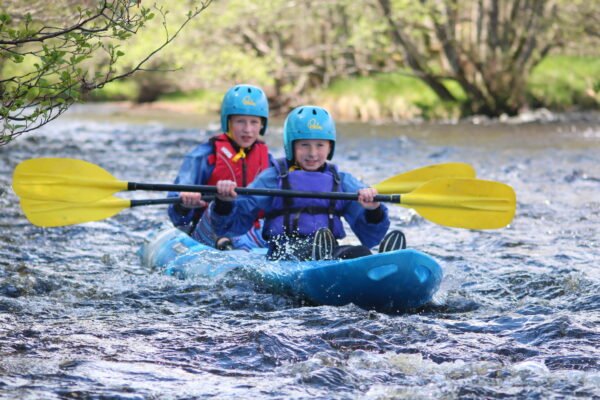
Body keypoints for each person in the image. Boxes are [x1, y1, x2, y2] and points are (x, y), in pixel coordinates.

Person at [206, 105, 406, 261]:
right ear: (291, 146)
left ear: (330, 147)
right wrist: (224, 202)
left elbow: (370, 236)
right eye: (304, 145)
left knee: (360, 251)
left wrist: (374, 210)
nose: (312, 153)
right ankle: (324, 255)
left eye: (320, 145)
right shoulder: (272, 178)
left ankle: (386, 260)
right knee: (320, 252)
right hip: (284, 255)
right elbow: (232, 226)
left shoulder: (341, 181)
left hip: (330, 249)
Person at [168, 84, 274, 250]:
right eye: (240, 121)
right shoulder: (204, 155)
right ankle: (228, 242)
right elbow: (177, 217)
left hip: (251, 233)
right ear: (228, 122)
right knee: (220, 209)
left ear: (262, 125)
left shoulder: (268, 160)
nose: (248, 130)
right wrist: (184, 204)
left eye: (254, 122)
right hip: (208, 234)